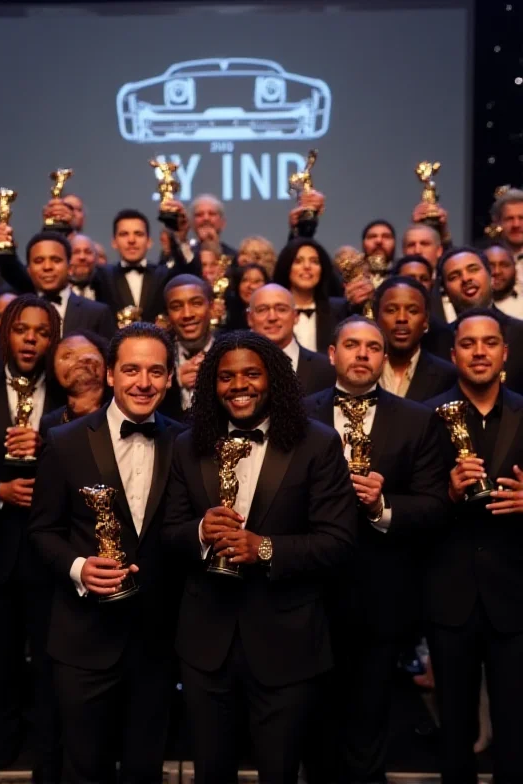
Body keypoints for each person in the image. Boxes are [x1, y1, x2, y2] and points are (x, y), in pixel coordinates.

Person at [162, 331, 356, 784]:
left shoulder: (318, 444)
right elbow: (168, 535)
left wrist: (263, 548)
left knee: (279, 773)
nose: (238, 385)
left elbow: (339, 541)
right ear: (213, 385)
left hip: (287, 641)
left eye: (251, 373)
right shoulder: (187, 446)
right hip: (204, 644)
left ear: (274, 379)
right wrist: (199, 532)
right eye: (226, 377)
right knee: (211, 774)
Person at [29, 323, 184, 784]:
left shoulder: (187, 442)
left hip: (158, 637)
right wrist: (79, 568)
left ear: (171, 379)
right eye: (132, 369)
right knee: (83, 767)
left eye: (156, 371)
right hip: (82, 636)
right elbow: (41, 531)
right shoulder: (64, 441)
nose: (144, 382)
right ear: (110, 375)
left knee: (144, 769)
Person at [304, 315, 450, 784]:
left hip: (381, 598)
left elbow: (432, 506)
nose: (362, 354)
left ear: (384, 358)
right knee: (314, 728)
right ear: (332, 354)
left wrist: (380, 507)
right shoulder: (299, 415)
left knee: (368, 729)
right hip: (307, 598)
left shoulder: (416, 419)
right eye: (352, 345)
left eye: (372, 347)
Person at [0, 294, 63, 781]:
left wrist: (47, 451)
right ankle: (1, 742)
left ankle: (49, 749)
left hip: (49, 552)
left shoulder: (67, 398)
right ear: (5, 333)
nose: (31, 339)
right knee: (0, 657)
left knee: (49, 657)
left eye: (42, 332)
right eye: (23, 329)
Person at [425, 308, 523, 784]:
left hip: (516, 596)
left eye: (489, 343)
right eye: (469, 343)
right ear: (453, 354)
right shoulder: (424, 417)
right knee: (454, 732)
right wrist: (445, 494)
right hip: (450, 596)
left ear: (504, 352)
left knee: (518, 730)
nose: (479, 351)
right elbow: (411, 508)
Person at [437, 246, 523, 393]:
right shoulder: (436, 342)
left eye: (473, 269)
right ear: (445, 291)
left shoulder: (520, 334)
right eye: (454, 276)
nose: (466, 278)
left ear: (490, 277)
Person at [97, 208, 201, 321]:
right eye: (124, 234)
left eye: (138, 234)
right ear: (114, 242)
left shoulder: (164, 274)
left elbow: (192, 275)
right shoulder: (102, 276)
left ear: (149, 242)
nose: (131, 240)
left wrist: (182, 238)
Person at [374, 276, 457, 401]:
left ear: (426, 320)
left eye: (412, 311)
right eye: (391, 310)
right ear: (376, 318)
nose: (401, 318)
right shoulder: (360, 367)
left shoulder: (448, 376)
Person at [247, 283, 335, 395]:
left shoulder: (325, 369)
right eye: (262, 310)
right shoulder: (235, 368)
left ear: (295, 316)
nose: (272, 317)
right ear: (250, 318)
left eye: (281, 309)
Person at [26, 232, 115, 338]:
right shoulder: (18, 313)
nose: (47, 267)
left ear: (69, 267)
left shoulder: (97, 313)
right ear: (29, 270)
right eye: (39, 261)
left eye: (56, 260)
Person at [273, 238, 348, 352]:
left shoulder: (339, 311)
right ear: (286, 267)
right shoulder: (272, 312)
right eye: (298, 261)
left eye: (314, 261)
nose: (307, 267)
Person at [159, 274, 214, 421]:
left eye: (196, 303)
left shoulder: (231, 351)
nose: (187, 314)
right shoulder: (159, 356)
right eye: (176, 307)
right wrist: (176, 382)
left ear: (212, 307)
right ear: (167, 315)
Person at [41, 330, 110, 432]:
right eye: (67, 356)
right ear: (53, 370)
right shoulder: (50, 423)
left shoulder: (123, 411)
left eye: (88, 352)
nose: (80, 359)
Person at [483, 244, 523, 319]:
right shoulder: (468, 309)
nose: (497, 271)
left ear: (515, 269)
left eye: (504, 265)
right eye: (490, 265)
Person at [225, 263, 269, 330]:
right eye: (244, 280)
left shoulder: (272, 316)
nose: (250, 286)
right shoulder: (229, 315)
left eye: (256, 281)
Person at [69, 234, 99, 300]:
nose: (82, 257)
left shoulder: (108, 291)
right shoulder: (58, 292)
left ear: (96, 258)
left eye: (88, 252)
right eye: (76, 252)